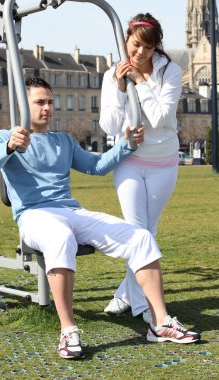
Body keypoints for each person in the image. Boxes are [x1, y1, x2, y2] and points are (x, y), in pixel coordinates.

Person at [0, 77, 199, 360]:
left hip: (71, 211)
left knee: (141, 237)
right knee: (60, 236)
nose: (47, 108)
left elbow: (96, 166)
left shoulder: (63, 141)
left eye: (50, 102)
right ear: (23, 105)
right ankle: (68, 329)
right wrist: (9, 146)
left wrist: (127, 145)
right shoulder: (6, 136)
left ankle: (160, 322)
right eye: (39, 102)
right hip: (34, 215)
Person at [100, 13, 182, 323]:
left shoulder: (170, 71)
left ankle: (126, 293)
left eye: (147, 48)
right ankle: (144, 307)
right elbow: (108, 125)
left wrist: (140, 81)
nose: (140, 54)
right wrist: (121, 86)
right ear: (126, 42)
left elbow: (161, 119)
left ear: (155, 48)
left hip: (163, 162)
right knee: (138, 233)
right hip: (129, 161)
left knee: (147, 232)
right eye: (136, 46)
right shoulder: (113, 74)